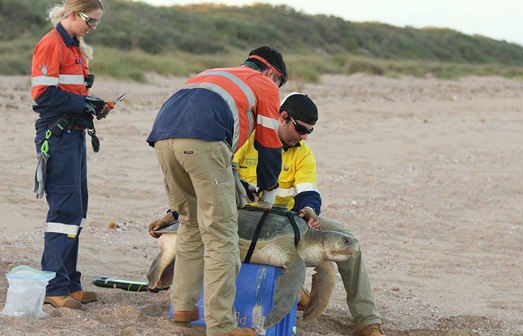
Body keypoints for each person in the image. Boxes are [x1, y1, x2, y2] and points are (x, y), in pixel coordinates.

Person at [149, 93, 385, 336]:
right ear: (283, 117)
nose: (304, 137)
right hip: (239, 216)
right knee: (189, 228)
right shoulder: (246, 140)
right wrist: (174, 213)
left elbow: (307, 193)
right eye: (301, 129)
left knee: (345, 238)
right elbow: (209, 180)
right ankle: (295, 294)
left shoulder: (303, 153)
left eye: (309, 132)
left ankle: (368, 322)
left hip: (288, 221)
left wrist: (310, 210)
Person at [146, 46, 288, 336]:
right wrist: (269, 187)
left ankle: (183, 306)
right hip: (203, 143)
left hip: (162, 141)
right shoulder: (264, 84)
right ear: (273, 73)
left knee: (190, 224)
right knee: (221, 234)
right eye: (279, 84)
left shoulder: (211, 74)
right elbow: (269, 144)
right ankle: (222, 326)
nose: (277, 90)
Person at [31, 0, 110, 310]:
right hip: (58, 135)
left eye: (96, 23)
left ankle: (70, 283)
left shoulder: (74, 46)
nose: (92, 27)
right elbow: (43, 94)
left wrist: (93, 104)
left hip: (73, 134)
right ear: (73, 14)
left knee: (76, 210)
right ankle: (54, 287)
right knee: (64, 212)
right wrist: (83, 105)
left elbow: (72, 91)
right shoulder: (51, 44)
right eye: (90, 21)